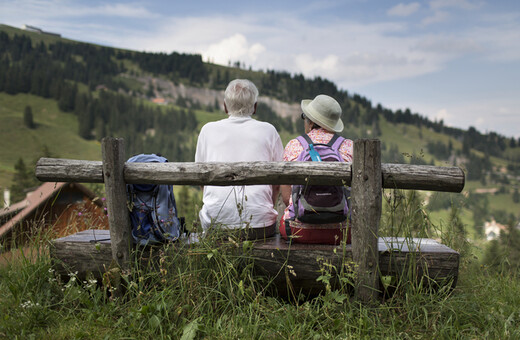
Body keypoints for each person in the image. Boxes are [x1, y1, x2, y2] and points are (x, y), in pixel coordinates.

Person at [195, 79, 284, 239]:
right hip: (260, 225)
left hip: (215, 223)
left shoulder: (207, 130)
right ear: (255, 107)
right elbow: (278, 182)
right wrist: (263, 209)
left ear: (225, 106)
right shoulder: (269, 131)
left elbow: (201, 180)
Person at [280, 94, 353, 244]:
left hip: (298, 230)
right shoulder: (349, 147)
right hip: (343, 232)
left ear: (311, 121)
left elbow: (287, 198)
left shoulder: (294, 145)